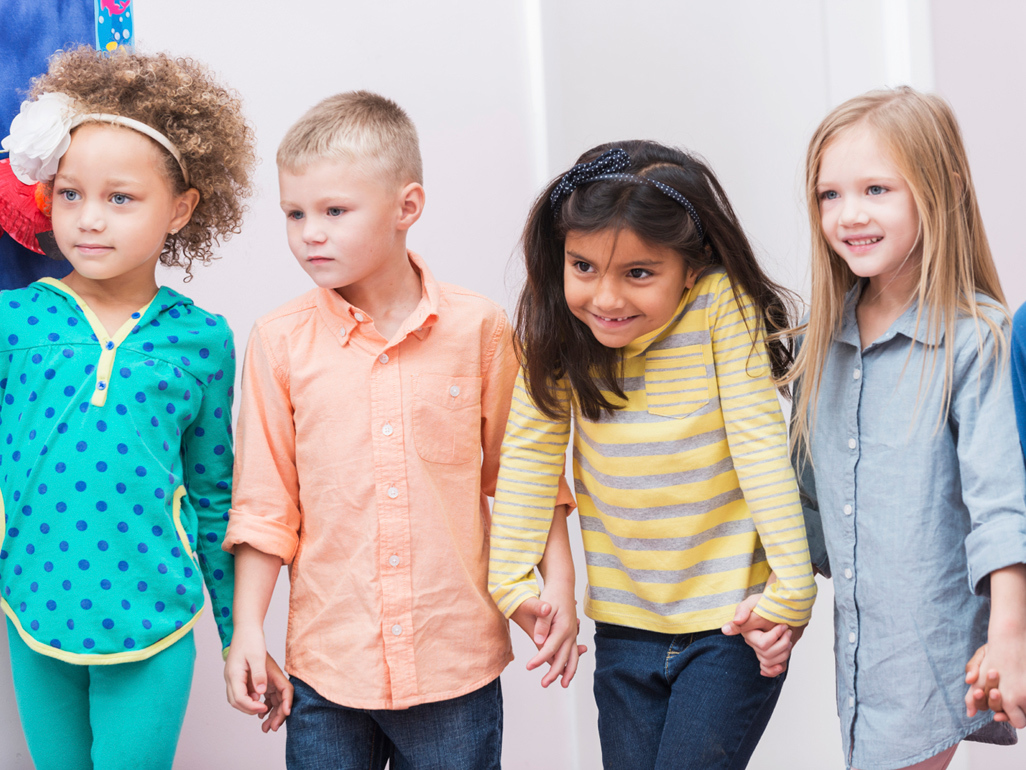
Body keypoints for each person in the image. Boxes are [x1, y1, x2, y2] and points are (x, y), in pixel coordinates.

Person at [222, 90, 578, 770]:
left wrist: (556, 585)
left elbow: (526, 478)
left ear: (406, 208)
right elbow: (266, 507)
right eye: (294, 214)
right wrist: (245, 631)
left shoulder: (479, 330)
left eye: (334, 211)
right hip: (328, 667)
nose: (310, 233)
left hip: (454, 667)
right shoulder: (279, 342)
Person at [487, 140, 818, 770]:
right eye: (583, 266)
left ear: (690, 269)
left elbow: (758, 443)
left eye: (638, 274)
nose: (605, 299)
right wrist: (511, 584)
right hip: (624, 630)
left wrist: (792, 586)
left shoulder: (720, 306)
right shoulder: (560, 332)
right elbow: (529, 459)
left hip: (730, 625)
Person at [0, 46, 288, 770]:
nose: (89, 220)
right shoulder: (15, 321)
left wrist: (238, 637)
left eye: (119, 198)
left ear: (182, 208)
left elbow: (218, 497)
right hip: (32, 609)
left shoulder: (202, 339)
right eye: (70, 194)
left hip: (152, 620)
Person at [783, 86, 1026, 770]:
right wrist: (778, 602)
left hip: (931, 654)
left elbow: (1001, 503)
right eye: (829, 195)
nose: (849, 214)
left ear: (939, 191)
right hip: (860, 656)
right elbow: (802, 503)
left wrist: (1010, 633)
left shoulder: (975, 339)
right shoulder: (819, 345)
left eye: (876, 189)